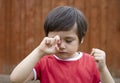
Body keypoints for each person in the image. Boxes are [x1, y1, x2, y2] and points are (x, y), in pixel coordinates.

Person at [10, 6, 115, 83]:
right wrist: (39, 51)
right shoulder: (44, 62)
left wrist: (103, 69)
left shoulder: (92, 63)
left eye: (68, 40)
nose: (62, 46)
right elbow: (15, 79)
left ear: (81, 39)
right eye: (56, 40)